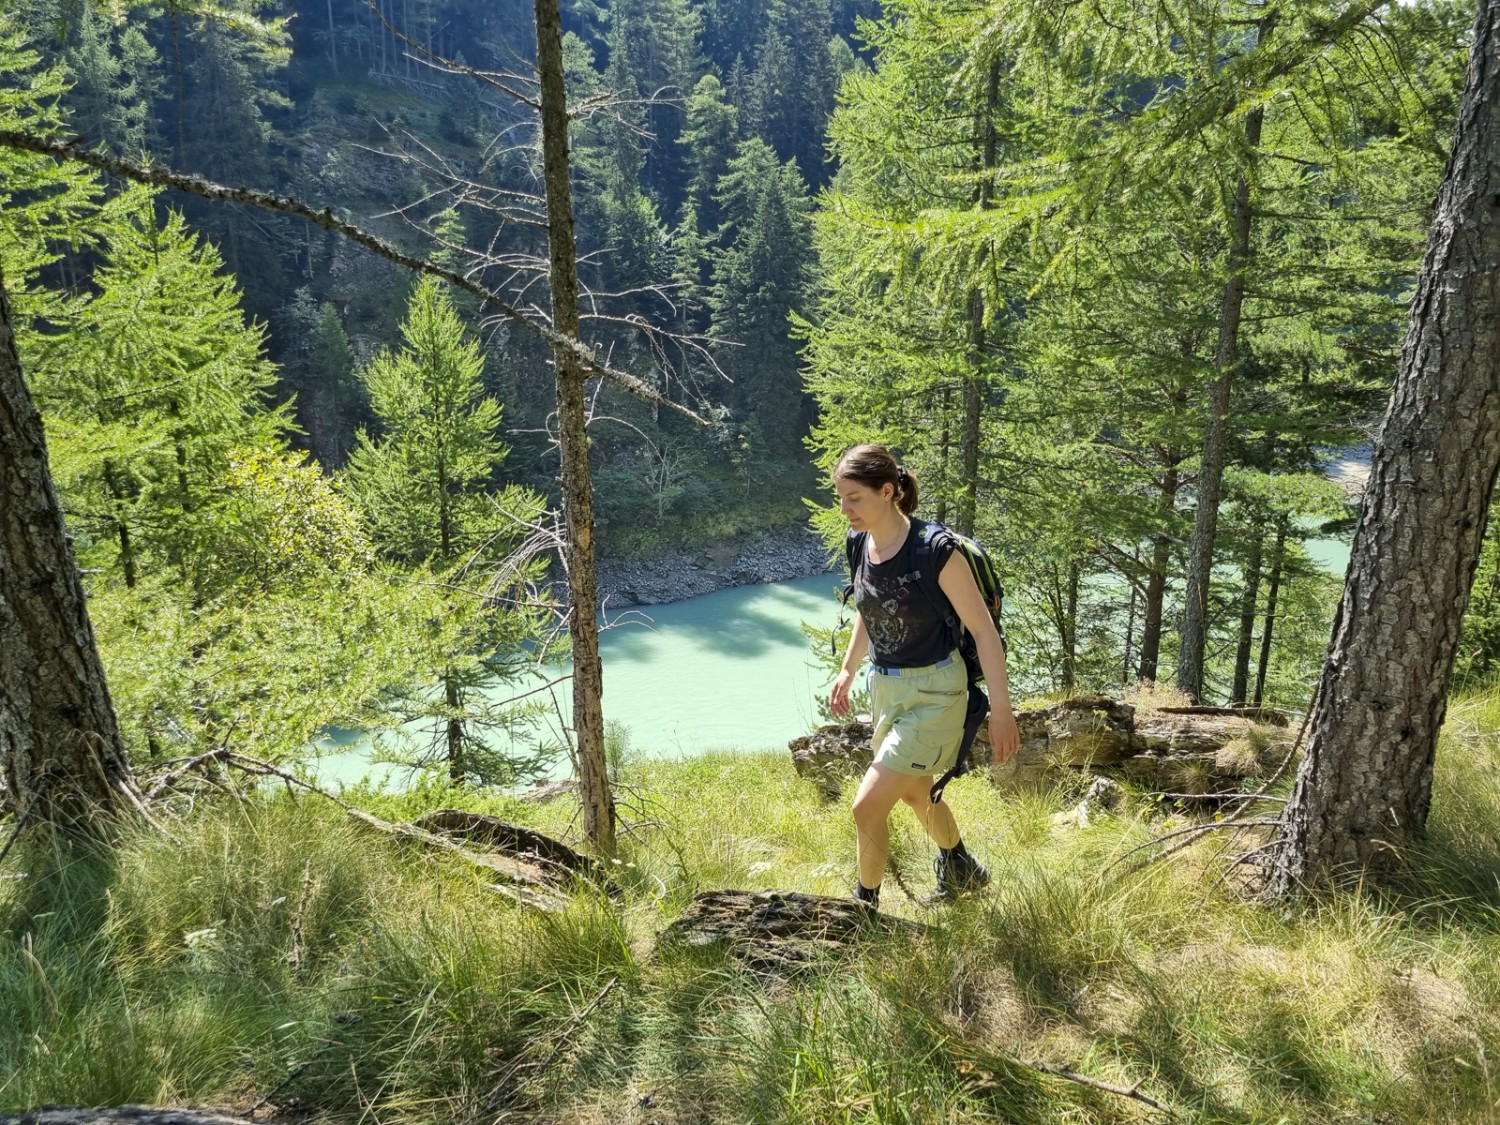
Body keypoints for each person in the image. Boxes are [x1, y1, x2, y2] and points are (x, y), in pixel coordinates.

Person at [828, 444, 1020, 907]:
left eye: (854, 496)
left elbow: (983, 631)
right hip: (887, 687)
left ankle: (863, 911)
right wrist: (847, 669)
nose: (844, 508)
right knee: (916, 792)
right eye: (840, 497)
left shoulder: (934, 551)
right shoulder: (861, 544)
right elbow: (868, 609)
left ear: (888, 491)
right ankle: (962, 868)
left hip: (936, 691)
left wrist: (1002, 710)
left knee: (867, 806)